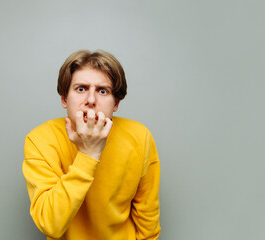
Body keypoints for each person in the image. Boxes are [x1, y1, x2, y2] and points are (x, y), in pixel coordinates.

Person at [22, 50, 161, 240]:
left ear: (116, 104)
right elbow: (50, 224)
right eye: (81, 89)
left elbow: (148, 218)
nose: (91, 100)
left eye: (102, 91)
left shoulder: (139, 136)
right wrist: (88, 154)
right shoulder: (40, 140)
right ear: (64, 99)